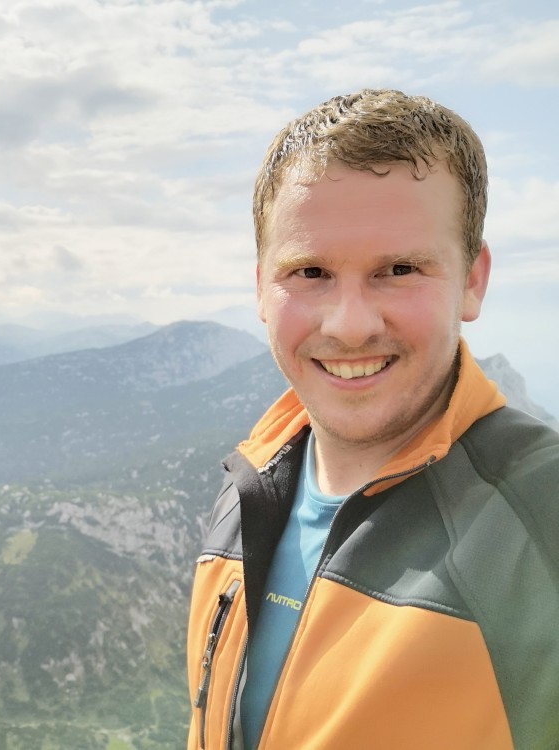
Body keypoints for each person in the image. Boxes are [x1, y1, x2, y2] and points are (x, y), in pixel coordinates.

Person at [186, 89, 559, 750]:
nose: (350, 325)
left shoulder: (542, 520)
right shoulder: (250, 486)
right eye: (310, 271)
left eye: (399, 269)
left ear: (473, 280)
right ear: (261, 288)